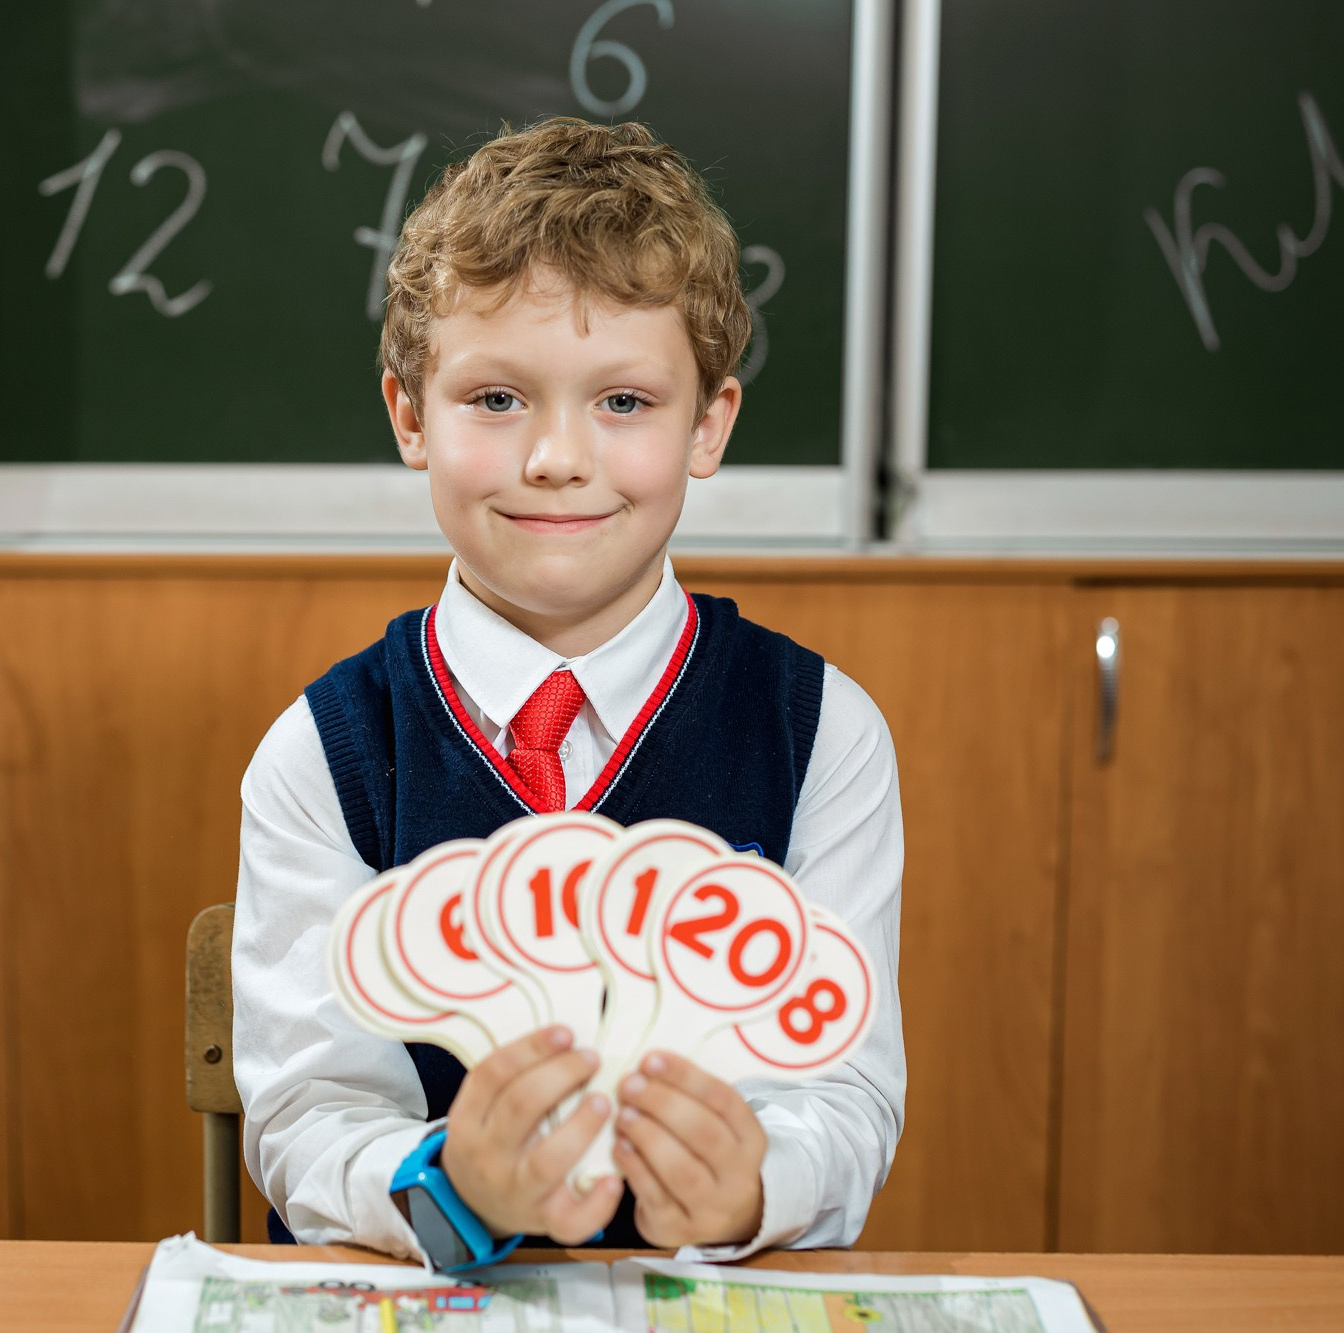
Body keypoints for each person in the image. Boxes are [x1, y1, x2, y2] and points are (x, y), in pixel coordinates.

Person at [232, 116, 903, 1265]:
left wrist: (756, 1187)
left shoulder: (819, 735)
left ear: (709, 423)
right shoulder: (324, 753)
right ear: (408, 415)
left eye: (624, 403)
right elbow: (308, 1114)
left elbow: (840, 1095)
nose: (556, 455)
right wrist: (442, 1182)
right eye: (495, 399)